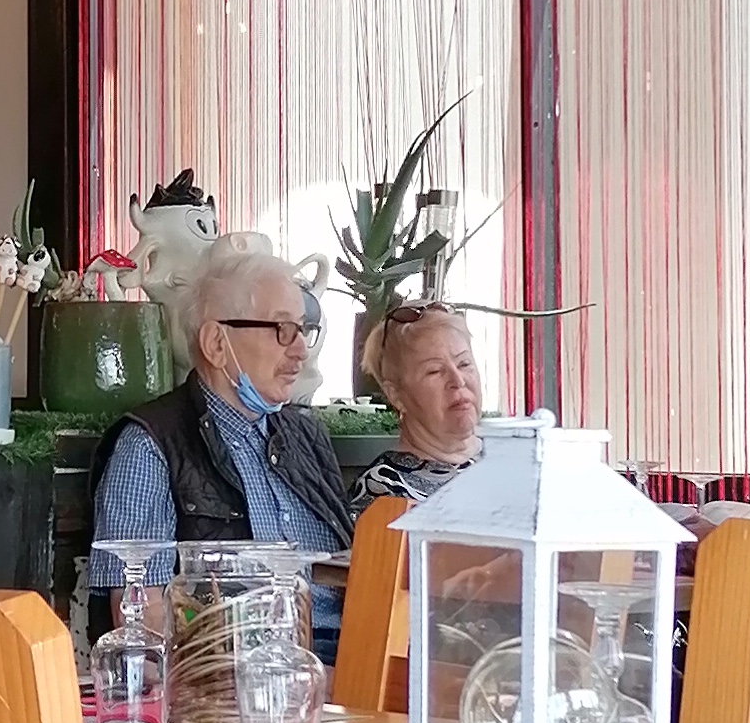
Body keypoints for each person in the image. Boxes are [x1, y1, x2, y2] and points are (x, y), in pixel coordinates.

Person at [91, 237, 356, 648]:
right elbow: (144, 620)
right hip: (240, 667)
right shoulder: (151, 445)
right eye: (283, 330)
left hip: (355, 653)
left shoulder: (306, 435)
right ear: (217, 343)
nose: (301, 351)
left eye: (304, 329)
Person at [356, 300, 486, 504]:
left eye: (464, 363)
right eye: (434, 371)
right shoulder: (386, 491)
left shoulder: (519, 459)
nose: (458, 381)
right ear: (396, 395)